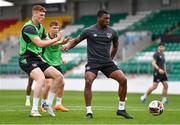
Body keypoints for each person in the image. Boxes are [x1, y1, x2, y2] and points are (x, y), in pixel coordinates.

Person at [62, 9, 133, 119]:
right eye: (106, 18)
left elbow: (115, 46)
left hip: (107, 62)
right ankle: (89, 112)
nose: (108, 20)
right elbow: (76, 41)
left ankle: (121, 109)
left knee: (123, 80)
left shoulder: (113, 32)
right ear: (99, 18)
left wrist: (111, 58)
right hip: (93, 62)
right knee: (88, 81)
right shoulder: (88, 31)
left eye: (109, 18)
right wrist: (67, 47)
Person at [19, 5, 65, 117]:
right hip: (26, 58)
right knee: (41, 79)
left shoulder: (40, 27)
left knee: (59, 76)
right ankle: (34, 110)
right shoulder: (29, 28)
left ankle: (47, 104)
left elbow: (47, 41)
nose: (43, 17)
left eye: (44, 15)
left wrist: (61, 44)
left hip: (37, 58)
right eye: (41, 15)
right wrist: (57, 38)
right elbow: (40, 43)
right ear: (34, 14)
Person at [25, 20, 69, 112]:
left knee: (62, 83)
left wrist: (62, 58)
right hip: (47, 64)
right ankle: (43, 104)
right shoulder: (46, 38)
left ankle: (58, 104)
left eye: (57, 28)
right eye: (54, 28)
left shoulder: (58, 38)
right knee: (48, 85)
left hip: (56, 64)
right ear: (50, 28)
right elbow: (39, 48)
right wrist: (41, 59)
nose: (56, 29)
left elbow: (58, 49)